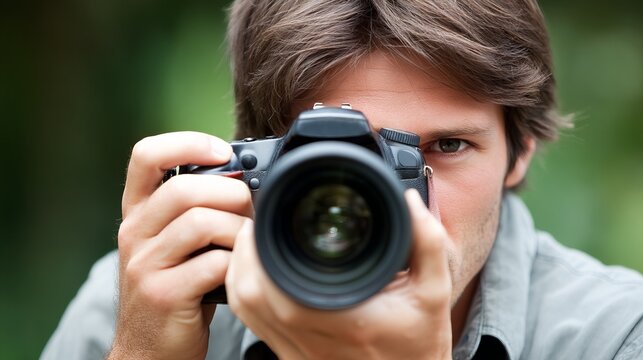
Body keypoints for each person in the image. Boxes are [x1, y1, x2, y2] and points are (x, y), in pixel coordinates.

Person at [42, 0, 643, 359]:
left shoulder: (613, 336)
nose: (396, 203)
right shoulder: (150, 297)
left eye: (449, 146)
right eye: (346, 156)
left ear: (519, 152)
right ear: (262, 159)